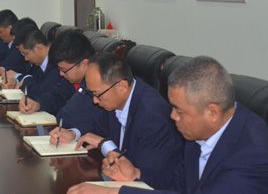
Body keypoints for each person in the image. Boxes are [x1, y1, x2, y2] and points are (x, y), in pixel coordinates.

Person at [68, 56, 268, 194]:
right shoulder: (198, 134)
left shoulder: (254, 153)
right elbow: (178, 184)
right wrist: (136, 174)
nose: (172, 116)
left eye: (179, 111)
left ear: (212, 112)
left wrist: (115, 193)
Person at [55, 53, 183, 189]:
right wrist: (74, 134)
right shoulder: (115, 100)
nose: (95, 100)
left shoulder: (153, 116)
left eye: (97, 94)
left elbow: (141, 174)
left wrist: (104, 144)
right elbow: (96, 126)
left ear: (122, 86)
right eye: (92, 94)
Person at [5, 19, 73, 115]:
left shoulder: (56, 64)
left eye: (26, 54)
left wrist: (24, 79)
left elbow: (39, 92)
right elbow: (34, 85)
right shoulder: (40, 64)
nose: (26, 59)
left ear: (39, 48)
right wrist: (18, 80)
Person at [47, 30, 106, 139]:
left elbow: (65, 118)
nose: (61, 74)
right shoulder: (73, 76)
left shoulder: (100, 85)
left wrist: (73, 133)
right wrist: (38, 104)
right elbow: (57, 94)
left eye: (63, 70)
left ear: (84, 63)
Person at [0, 9, 27, 75]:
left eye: (0, 31)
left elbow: (22, 69)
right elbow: (6, 62)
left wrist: (2, 69)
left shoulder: (21, 45)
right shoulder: (10, 43)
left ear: (10, 28)